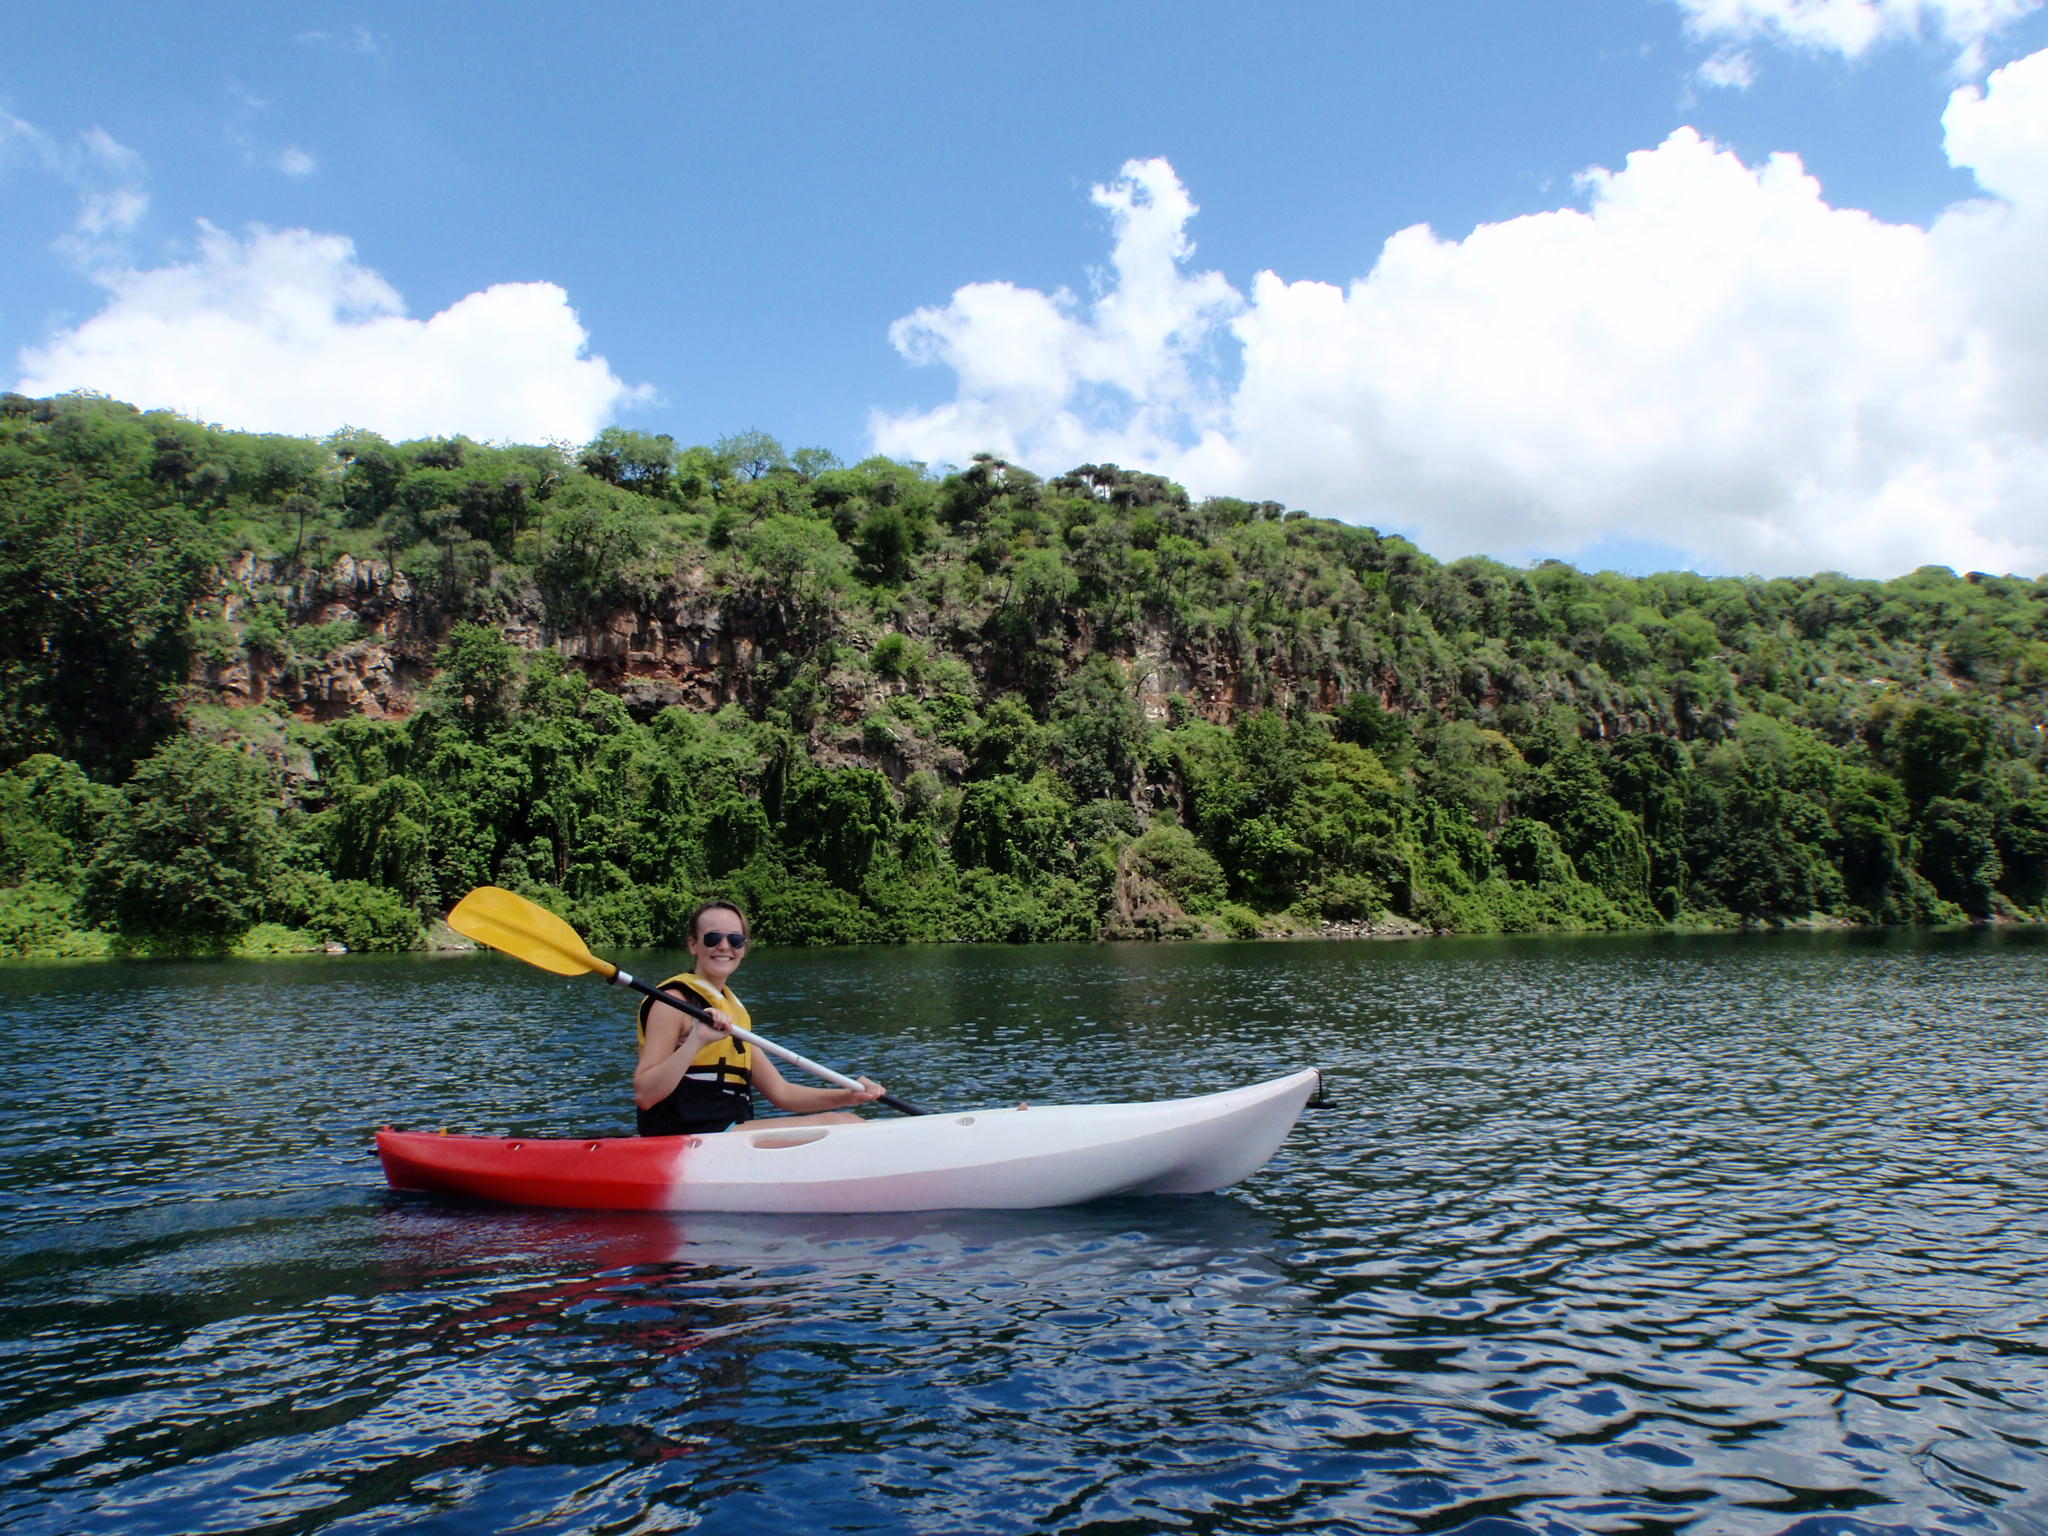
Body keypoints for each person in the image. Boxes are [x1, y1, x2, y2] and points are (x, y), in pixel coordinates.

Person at [634, 898, 886, 1136]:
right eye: (713, 938)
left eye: (735, 939)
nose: (725, 946)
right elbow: (646, 1095)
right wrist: (696, 1040)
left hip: (728, 1133)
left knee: (849, 1119)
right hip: (685, 1135)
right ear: (693, 945)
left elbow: (782, 1093)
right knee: (844, 1124)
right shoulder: (673, 1002)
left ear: (743, 947)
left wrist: (849, 1095)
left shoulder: (734, 1012)